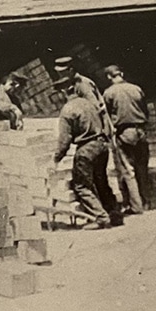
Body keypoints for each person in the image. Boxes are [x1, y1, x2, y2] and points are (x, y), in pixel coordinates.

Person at [53, 75, 121, 230]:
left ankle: (101, 218)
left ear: (64, 91)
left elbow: (65, 140)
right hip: (102, 145)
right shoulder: (89, 103)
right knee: (101, 181)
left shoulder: (67, 110)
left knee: (81, 186)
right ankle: (114, 213)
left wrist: (56, 158)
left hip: (86, 150)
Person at [103, 65, 149, 214]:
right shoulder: (136, 88)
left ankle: (137, 206)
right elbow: (145, 109)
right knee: (142, 169)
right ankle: (147, 202)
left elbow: (107, 117)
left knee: (128, 171)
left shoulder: (109, 93)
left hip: (124, 133)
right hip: (141, 131)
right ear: (121, 73)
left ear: (109, 77)